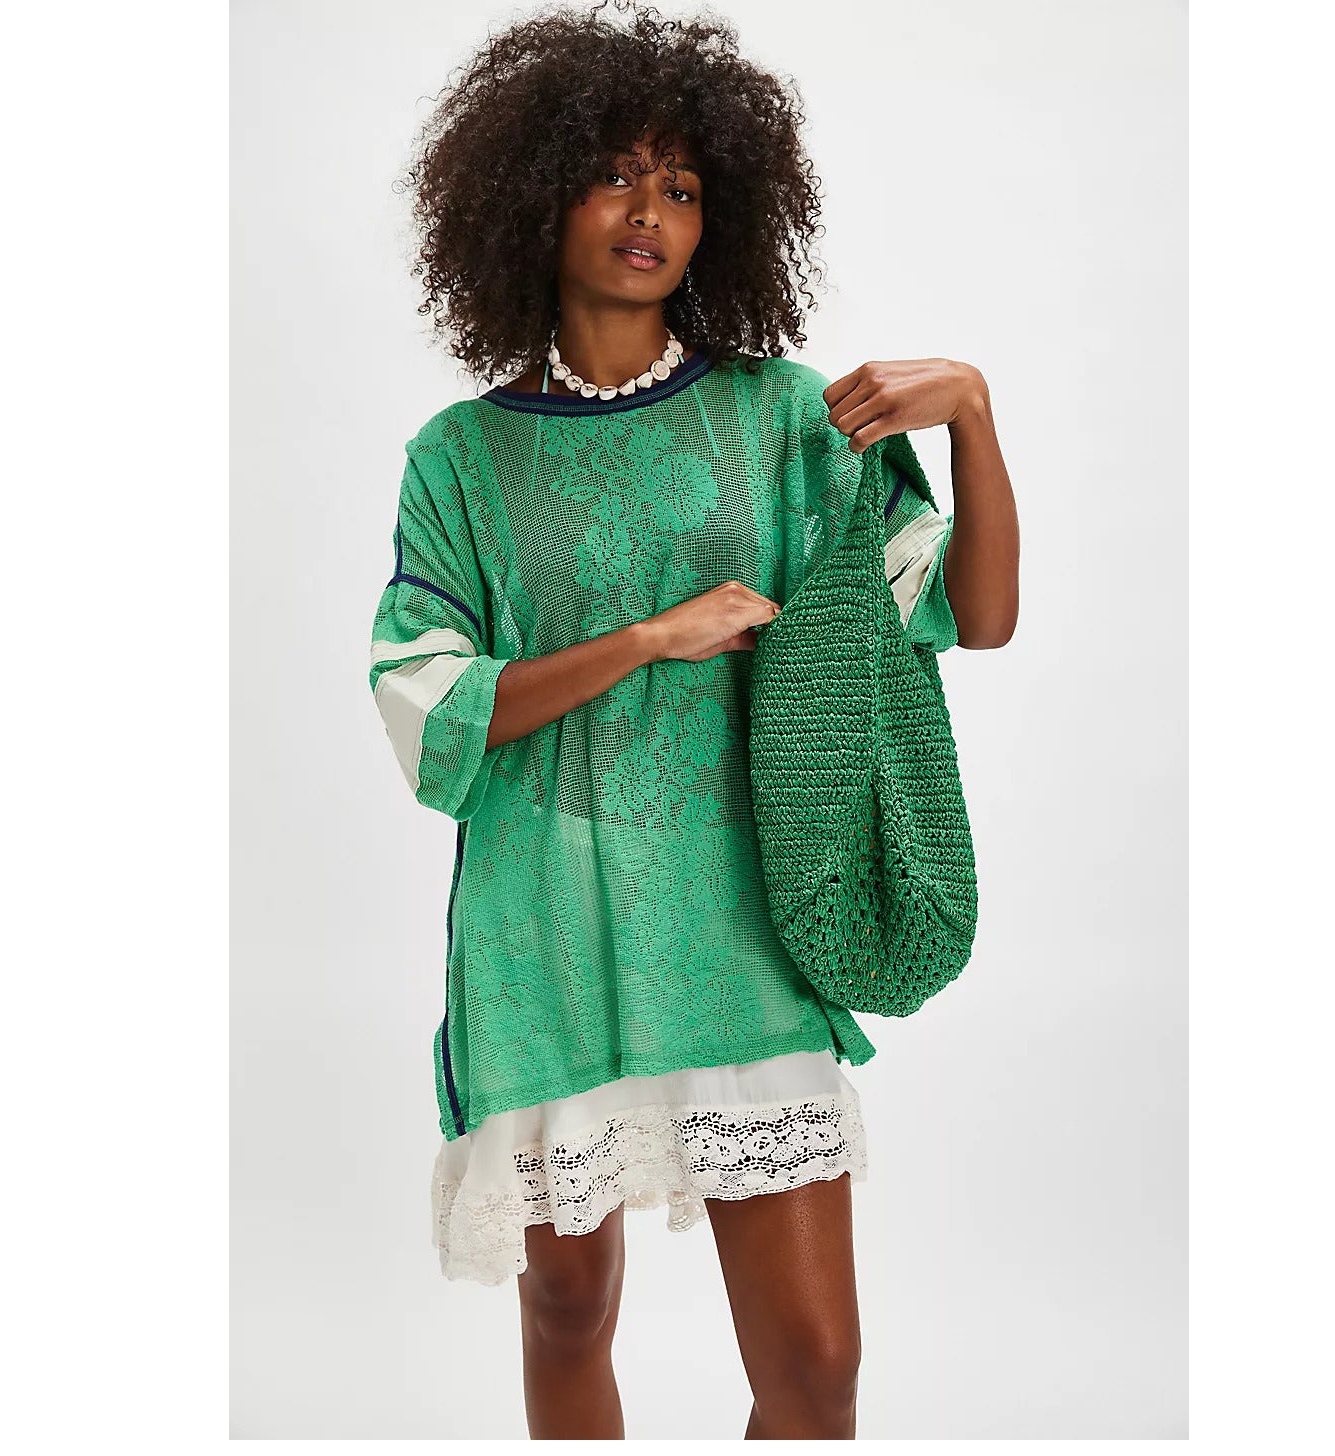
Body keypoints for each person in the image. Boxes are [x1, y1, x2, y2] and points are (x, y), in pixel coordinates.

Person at [367, 1, 1019, 1439]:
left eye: (681, 184)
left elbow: (971, 619)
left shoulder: (786, 420)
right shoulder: (459, 459)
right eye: (612, 175)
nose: (649, 212)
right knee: (568, 1312)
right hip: (546, 930)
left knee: (816, 1366)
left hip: (744, 921)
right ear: (533, 198)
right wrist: (649, 640)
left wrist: (971, 414)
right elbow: (427, 710)